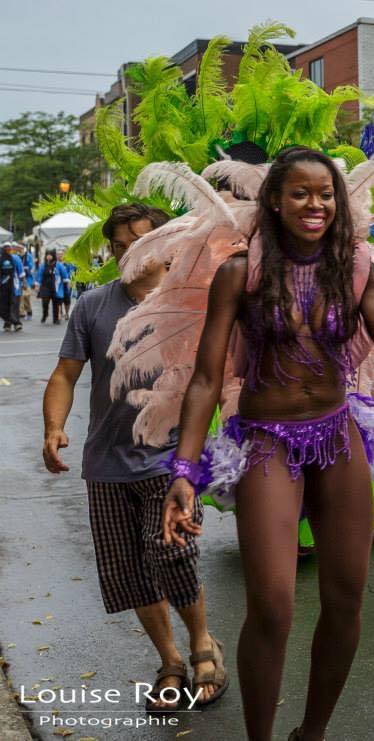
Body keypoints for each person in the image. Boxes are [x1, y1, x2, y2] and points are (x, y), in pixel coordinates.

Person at [160, 147, 374, 741]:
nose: (316, 204)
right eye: (300, 193)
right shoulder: (240, 273)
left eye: (326, 194)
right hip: (267, 442)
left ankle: (311, 733)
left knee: (346, 602)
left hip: (337, 435)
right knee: (272, 606)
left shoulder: (357, 267)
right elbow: (207, 379)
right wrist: (183, 470)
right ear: (274, 201)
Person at [41, 203, 224, 713]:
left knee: (172, 552)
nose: (127, 256)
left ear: (166, 245)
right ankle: (170, 661)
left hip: (172, 459)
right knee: (127, 571)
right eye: (119, 247)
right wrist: (54, 427)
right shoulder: (93, 305)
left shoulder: (196, 302)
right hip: (106, 462)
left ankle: (203, 644)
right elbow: (65, 374)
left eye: (138, 244)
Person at [37, 250, 70, 324]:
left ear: (53, 256)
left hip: (56, 287)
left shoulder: (59, 265)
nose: (48, 256)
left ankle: (56, 318)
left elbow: (65, 275)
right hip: (45, 286)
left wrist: (67, 283)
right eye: (47, 255)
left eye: (50, 255)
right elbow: (39, 275)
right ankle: (45, 314)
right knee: (45, 302)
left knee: (56, 303)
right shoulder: (43, 265)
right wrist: (38, 284)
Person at [0, 242, 24, 331]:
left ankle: (16, 323)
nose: (8, 249)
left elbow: (21, 272)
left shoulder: (16, 258)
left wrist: (24, 283)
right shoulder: (1, 259)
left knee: (14, 305)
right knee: (3, 306)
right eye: (5, 247)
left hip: (14, 286)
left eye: (9, 247)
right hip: (3, 286)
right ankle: (8, 322)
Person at [57, 249, 75, 319]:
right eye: (58, 254)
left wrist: (70, 282)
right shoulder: (55, 263)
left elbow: (71, 272)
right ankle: (60, 313)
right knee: (58, 299)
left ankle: (67, 313)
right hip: (58, 284)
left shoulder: (68, 264)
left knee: (67, 299)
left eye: (61, 254)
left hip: (66, 284)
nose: (60, 255)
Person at [18, 244, 35, 320]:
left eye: (21, 248)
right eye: (19, 248)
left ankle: (29, 311)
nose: (20, 249)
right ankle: (21, 312)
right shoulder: (17, 256)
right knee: (20, 296)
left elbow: (31, 267)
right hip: (19, 279)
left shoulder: (28, 256)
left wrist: (23, 268)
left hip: (28, 279)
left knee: (26, 296)